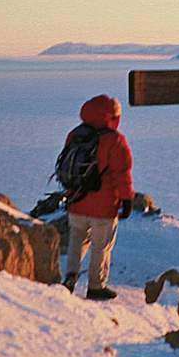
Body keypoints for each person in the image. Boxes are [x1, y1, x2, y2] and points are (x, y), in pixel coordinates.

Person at [63, 94, 133, 300]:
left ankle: (69, 278)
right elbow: (122, 173)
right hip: (103, 206)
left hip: (76, 201)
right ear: (111, 116)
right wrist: (126, 199)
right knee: (101, 246)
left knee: (76, 240)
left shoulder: (75, 135)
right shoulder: (115, 140)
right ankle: (96, 285)